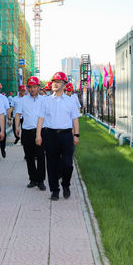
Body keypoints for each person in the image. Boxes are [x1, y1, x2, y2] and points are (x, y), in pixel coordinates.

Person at [36, 72, 80, 201]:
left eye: (58, 81)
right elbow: (41, 118)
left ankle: (66, 185)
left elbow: (75, 119)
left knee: (67, 164)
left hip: (66, 135)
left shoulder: (71, 101)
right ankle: (54, 190)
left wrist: (76, 135)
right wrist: (38, 135)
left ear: (65, 85)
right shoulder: (46, 100)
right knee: (51, 165)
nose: (55, 84)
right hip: (50, 135)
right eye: (54, 81)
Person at [15, 76, 46, 191]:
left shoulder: (44, 100)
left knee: (41, 156)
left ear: (38, 87)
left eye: (35, 87)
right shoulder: (22, 100)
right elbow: (18, 114)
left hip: (41, 132)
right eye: (30, 87)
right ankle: (32, 179)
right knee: (29, 157)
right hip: (27, 132)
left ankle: (41, 181)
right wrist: (16, 127)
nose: (32, 89)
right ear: (27, 88)